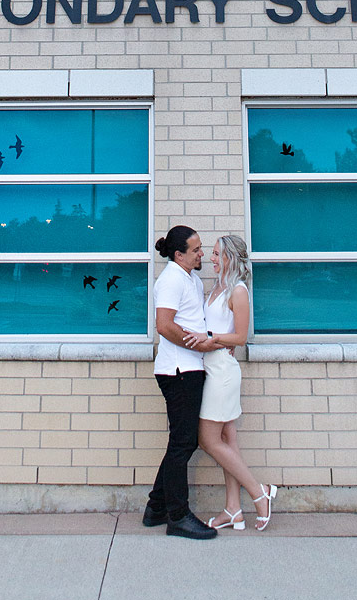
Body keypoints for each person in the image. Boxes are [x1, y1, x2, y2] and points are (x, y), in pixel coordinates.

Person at [183, 235, 277, 531]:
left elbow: (240, 337)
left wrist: (213, 339)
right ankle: (233, 510)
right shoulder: (217, 287)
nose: (210, 259)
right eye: (209, 253)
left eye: (215, 254)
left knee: (208, 440)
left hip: (221, 370)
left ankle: (258, 493)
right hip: (208, 366)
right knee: (228, 440)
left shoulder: (238, 291)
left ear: (231, 258)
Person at [142, 225, 222, 539]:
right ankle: (178, 516)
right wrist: (198, 346)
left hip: (189, 369)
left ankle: (156, 508)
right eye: (196, 249)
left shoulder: (188, 277)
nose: (202, 253)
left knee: (182, 441)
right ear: (179, 254)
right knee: (183, 443)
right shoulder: (172, 279)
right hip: (178, 371)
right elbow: (164, 325)